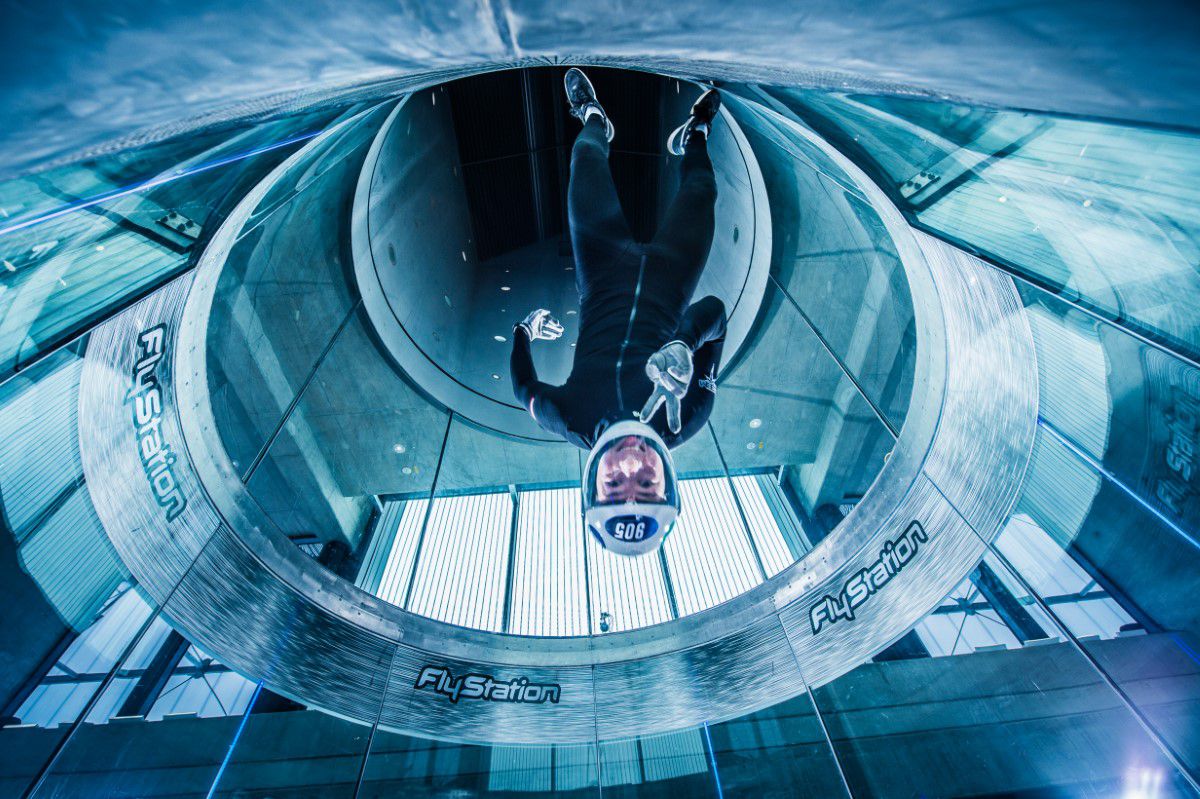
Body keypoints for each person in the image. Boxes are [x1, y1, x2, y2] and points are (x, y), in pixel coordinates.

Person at [511, 68, 727, 557]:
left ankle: (593, 118)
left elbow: (524, 388)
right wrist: (683, 341)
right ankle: (694, 134)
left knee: (585, 158)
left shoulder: (571, 420)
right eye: (647, 486)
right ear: (668, 481)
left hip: (603, 271)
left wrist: (523, 330)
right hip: (673, 279)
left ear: (593, 483)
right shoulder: (685, 419)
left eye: (615, 488)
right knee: (701, 192)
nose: (631, 469)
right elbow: (715, 315)